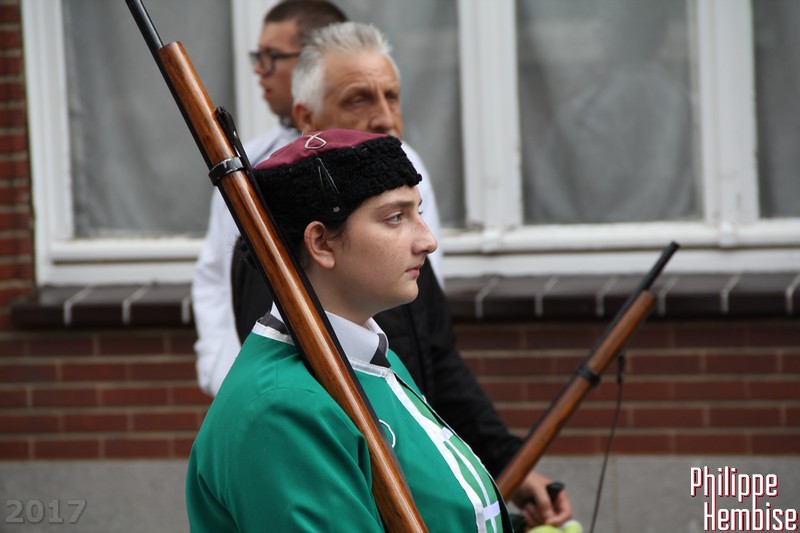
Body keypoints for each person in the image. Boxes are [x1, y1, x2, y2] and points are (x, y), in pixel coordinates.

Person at [229, 21, 572, 528]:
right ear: (305, 118)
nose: (385, 118)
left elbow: (438, 361)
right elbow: (310, 417)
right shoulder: (281, 249)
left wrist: (506, 465)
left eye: (392, 96)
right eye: (359, 99)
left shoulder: (382, 305)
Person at [186, 128, 513, 531]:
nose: (428, 241)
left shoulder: (371, 356)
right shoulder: (279, 411)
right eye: (395, 218)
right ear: (321, 243)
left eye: (418, 212)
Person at [191, 0, 443, 396]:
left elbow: (428, 319)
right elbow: (222, 286)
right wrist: (225, 377)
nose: (260, 68)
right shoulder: (250, 175)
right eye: (394, 217)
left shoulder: (406, 167)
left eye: (273, 56)